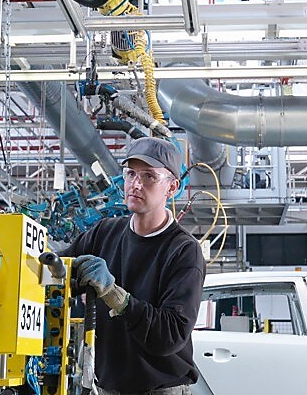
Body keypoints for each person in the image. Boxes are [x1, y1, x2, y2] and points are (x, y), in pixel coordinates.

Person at [68, 137, 207, 395]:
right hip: (107, 387)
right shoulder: (104, 233)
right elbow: (61, 270)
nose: (135, 184)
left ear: (172, 187)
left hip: (160, 390)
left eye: (149, 177)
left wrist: (114, 295)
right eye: (130, 173)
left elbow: (170, 334)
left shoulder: (184, 251)